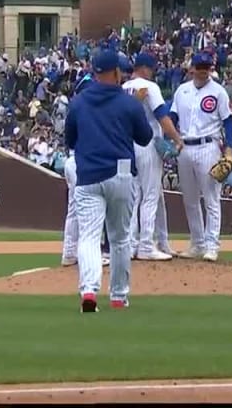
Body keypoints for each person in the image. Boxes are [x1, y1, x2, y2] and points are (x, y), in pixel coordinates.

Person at [65, 49, 153, 313]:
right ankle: (118, 296)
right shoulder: (129, 103)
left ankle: (89, 291)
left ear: (95, 72)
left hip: (89, 175)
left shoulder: (78, 102)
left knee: (89, 238)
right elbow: (145, 138)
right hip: (121, 173)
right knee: (120, 238)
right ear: (115, 72)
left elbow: (69, 140)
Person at [169, 51, 232, 262]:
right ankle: (197, 243)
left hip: (208, 145)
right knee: (189, 199)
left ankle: (212, 245)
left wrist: (230, 148)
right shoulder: (182, 91)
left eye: (207, 68)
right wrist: (167, 134)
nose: (203, 72)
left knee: (211, 199)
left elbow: (228, 121)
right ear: (192, 69)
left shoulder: (218, 92)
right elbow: (172, 116)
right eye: (200, 68)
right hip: (184, 146)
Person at [122, 52, 184, 260]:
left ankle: (131, 245)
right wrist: (176, 138)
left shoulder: (122, 88)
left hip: (126, 146)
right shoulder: (150, 87)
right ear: (146, 68)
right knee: (149, 196)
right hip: (147, 144)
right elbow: (162, 116)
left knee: (134, 196)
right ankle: (146, 245)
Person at [60, 72, 110, 268]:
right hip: (83, 162)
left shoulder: (77, 109)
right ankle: (93, 252)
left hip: (72, 161)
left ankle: (69, 253)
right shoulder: (89, 111)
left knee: (74, 210)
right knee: (92, 208)